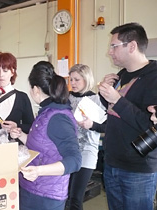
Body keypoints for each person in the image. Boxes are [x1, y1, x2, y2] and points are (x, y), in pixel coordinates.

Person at [98, 22, 157, 210]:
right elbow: (115, 114)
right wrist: (104, 95)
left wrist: (118, 100)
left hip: (138, 168)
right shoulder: (122, 75)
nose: (110, 52)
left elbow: (150, 124)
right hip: (112, 162)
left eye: (113, 46)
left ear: (131, 46)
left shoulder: (154, 78)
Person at [10, 61, 82, 210]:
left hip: (46, 196)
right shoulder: (46, 112)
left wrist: (38, 171)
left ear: (36, 90)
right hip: (32, 189)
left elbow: (74, 160)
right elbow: (43, 145)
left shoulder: (58, 118)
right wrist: (21, 135)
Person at [66, 64, 106, 210]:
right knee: (65, 196)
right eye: (71, 80)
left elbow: (107, 126)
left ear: (86, 79)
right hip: (67, 152)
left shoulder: (96, 100)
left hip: (87, 153)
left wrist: (92, 125)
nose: (73, 83)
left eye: (77, 79)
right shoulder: (66, 99)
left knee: (76, 198)